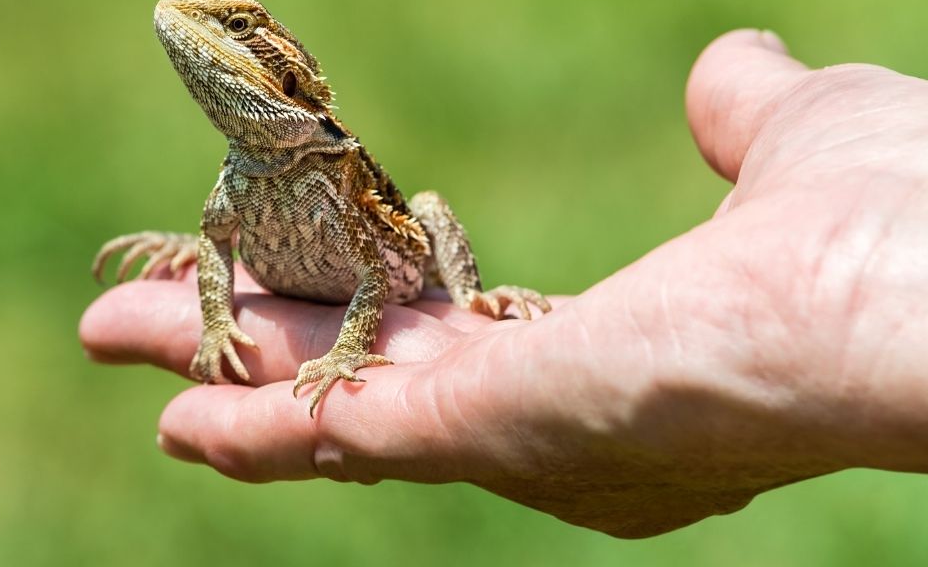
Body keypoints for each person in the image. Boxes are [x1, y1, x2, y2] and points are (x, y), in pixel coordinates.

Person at [79, 30, 928, 538]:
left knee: (434, 208)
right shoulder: (236, 174)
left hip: (399, 289)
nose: (201, 33)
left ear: (285, 75)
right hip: (291, 277)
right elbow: (217, 240)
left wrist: (345, 354)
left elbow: (378, 276)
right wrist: (218, 317)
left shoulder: (332, 169)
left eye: (231, 26)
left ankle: (476, 293)